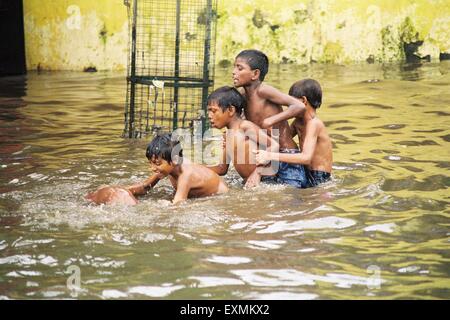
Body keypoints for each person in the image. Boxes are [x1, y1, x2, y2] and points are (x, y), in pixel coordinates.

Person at [232, 49, 308, 188]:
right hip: (267, 154)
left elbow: (298, 106)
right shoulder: (242, 95)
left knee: (293, 195)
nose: (233, 72)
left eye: (239, 68)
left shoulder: (263, 90)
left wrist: (271, 120)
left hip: (286, 154)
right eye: (234, 67)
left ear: (255, 74)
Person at [86, 133, 228, 205]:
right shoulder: (167, 168)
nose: (153, 168)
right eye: (151, 163)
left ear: (174, 161)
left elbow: (179, 204)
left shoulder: (186, 174)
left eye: (157, 163)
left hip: (219, 196)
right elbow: (145, 187)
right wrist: (120, 191)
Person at [254, 79, 332, 187]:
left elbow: (306, 158)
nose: (289, 107)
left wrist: (269, 155)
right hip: (306, 171)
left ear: (304, 101)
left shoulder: (314, 124)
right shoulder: (298, 122)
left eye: (291, 103)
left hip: (320, 177)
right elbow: (283, 139)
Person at [206, 86, 279, 185]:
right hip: (249, 183)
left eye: (213, 111)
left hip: (266, 181)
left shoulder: (245, 127)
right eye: (208, 111)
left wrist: (257, 172)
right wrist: (193, 166)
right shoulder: (227, 135)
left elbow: (274, 145)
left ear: (231, 110)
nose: (209, 116)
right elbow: (222, 169)